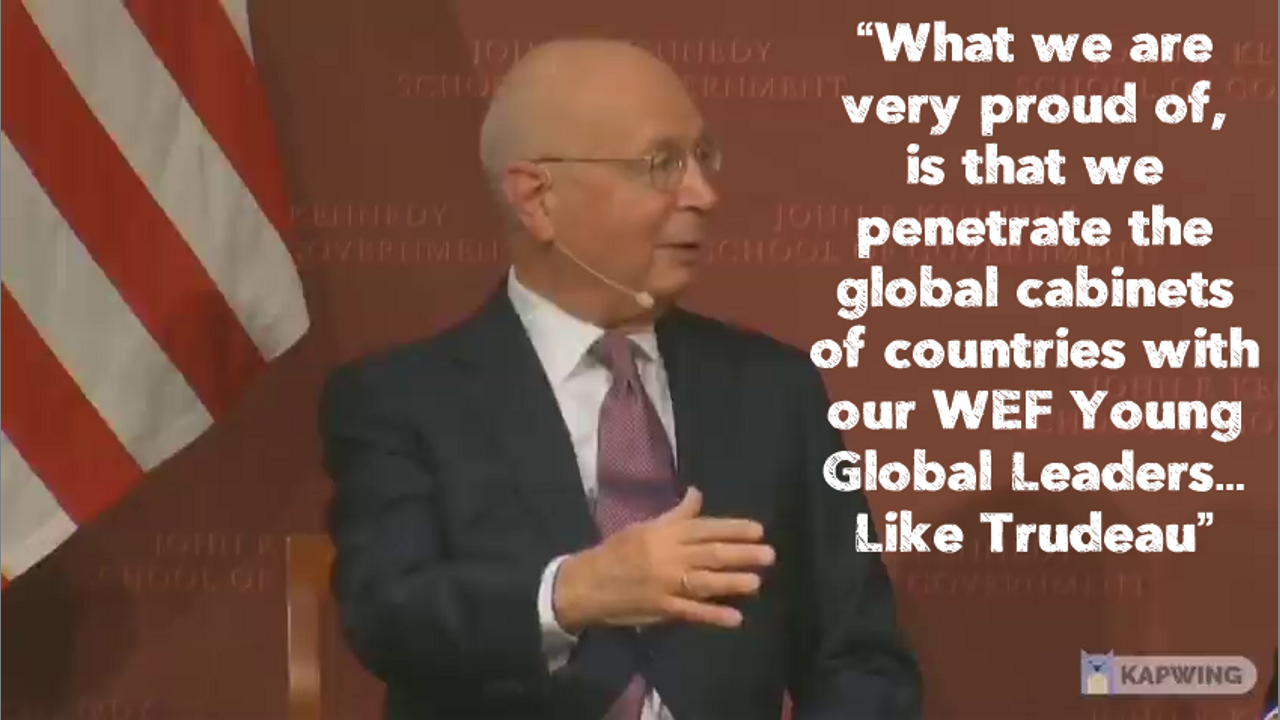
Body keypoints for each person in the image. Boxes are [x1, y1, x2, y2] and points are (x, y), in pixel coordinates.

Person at [319, 38, 922, 720]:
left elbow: (860, 657)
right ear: (537, 198)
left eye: (702, 157)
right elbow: (389, 612)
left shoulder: (776, 391)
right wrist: (574, 592)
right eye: (661, 164)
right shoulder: (401, 401)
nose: (703, 194)